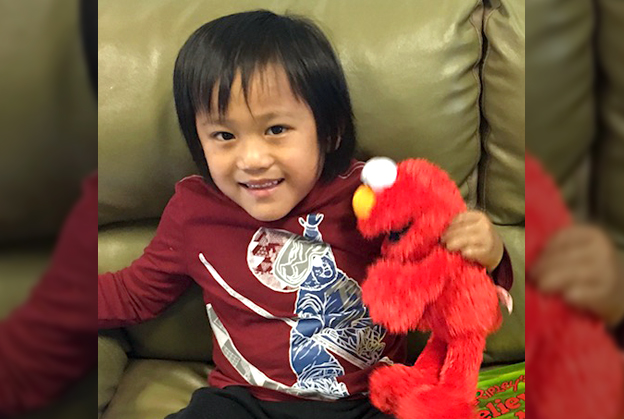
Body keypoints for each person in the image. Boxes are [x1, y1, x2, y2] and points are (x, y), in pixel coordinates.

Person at [98, 10, 513, 419]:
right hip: (246, 403)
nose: (252, 158)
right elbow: (135, 293)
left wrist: (490, 255)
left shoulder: (374, 200)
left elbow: (451, 284)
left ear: (328, 131)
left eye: (276, 129)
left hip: (372, 399)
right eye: (224, 135)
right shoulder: (194, 213)